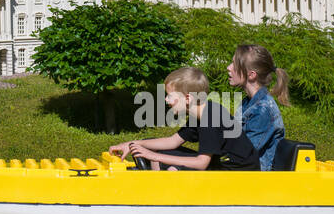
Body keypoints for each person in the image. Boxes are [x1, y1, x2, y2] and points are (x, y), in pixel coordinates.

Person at [109, 67, 259, 170]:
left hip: (236, 175)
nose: (166, 100)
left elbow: (201, 163)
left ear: (187, 98)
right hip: (219, 166)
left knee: (168, 163)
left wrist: (152, 156)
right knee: (156, 151)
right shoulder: (199, 114)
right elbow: (172, 141)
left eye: (170, 95)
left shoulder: (211, 118)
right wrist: (130, 144)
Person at [228, 44, 290, 171]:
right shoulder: (248, 102)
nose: (228, 68)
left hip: (256, 181)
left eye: (234, 65)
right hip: (243, 171)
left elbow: (241, 153)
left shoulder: (263, 110)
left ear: (251, 75)